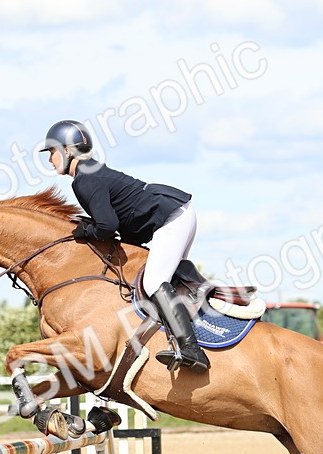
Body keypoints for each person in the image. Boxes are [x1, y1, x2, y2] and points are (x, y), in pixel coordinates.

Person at [39, 119, 209, 372]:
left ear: (67, 150)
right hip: (177, 212)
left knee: (154, 281)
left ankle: (192, 349)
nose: (49, 159)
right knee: (164, 278)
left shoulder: (85, 178)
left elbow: (107, 226)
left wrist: (86, 230)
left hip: (172, 217)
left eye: (52, 151)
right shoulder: (88, 173)